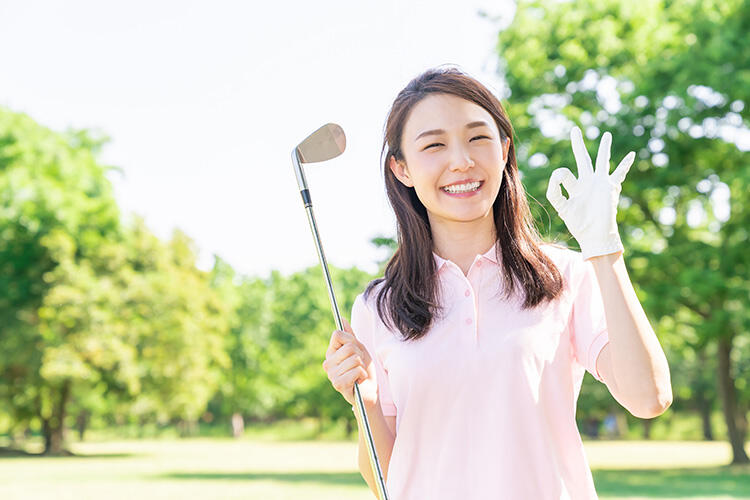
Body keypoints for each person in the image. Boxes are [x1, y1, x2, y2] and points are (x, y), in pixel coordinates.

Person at [322, 66, 672, 499]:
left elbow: (649, 397)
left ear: (505, 150)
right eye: (433, 145)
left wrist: (604, 249)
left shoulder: (562, 275)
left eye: (478, 138)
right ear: (402, 169)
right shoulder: (379, 306)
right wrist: (368, 403)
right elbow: (389, 483)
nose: (461, 161)